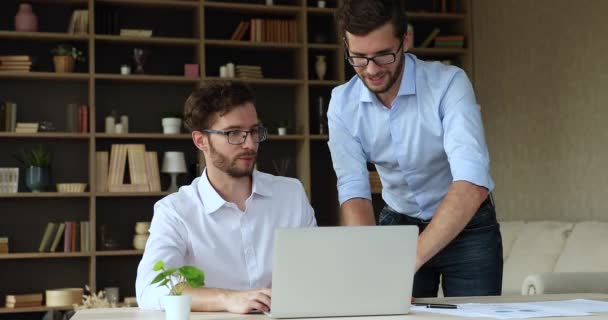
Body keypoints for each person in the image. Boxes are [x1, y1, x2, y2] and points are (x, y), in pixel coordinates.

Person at [328, 0, 502, 297]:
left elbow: (472, 181)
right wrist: (371, 262)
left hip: (467, 227)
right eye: (358, 57)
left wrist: (408, 261)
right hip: (398, 225)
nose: (371, 70)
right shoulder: (343, 105)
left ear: (405, 39)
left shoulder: (448, 84)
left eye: (383, 55)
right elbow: (354, 190)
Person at [136, 81, 317, 313]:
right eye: (234, 133)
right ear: (201, 141)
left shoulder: (291, 195)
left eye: (253, 131)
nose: (250, 144)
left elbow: (315, 274)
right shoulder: (175, 211)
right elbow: (150, 287)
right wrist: (228, 299)